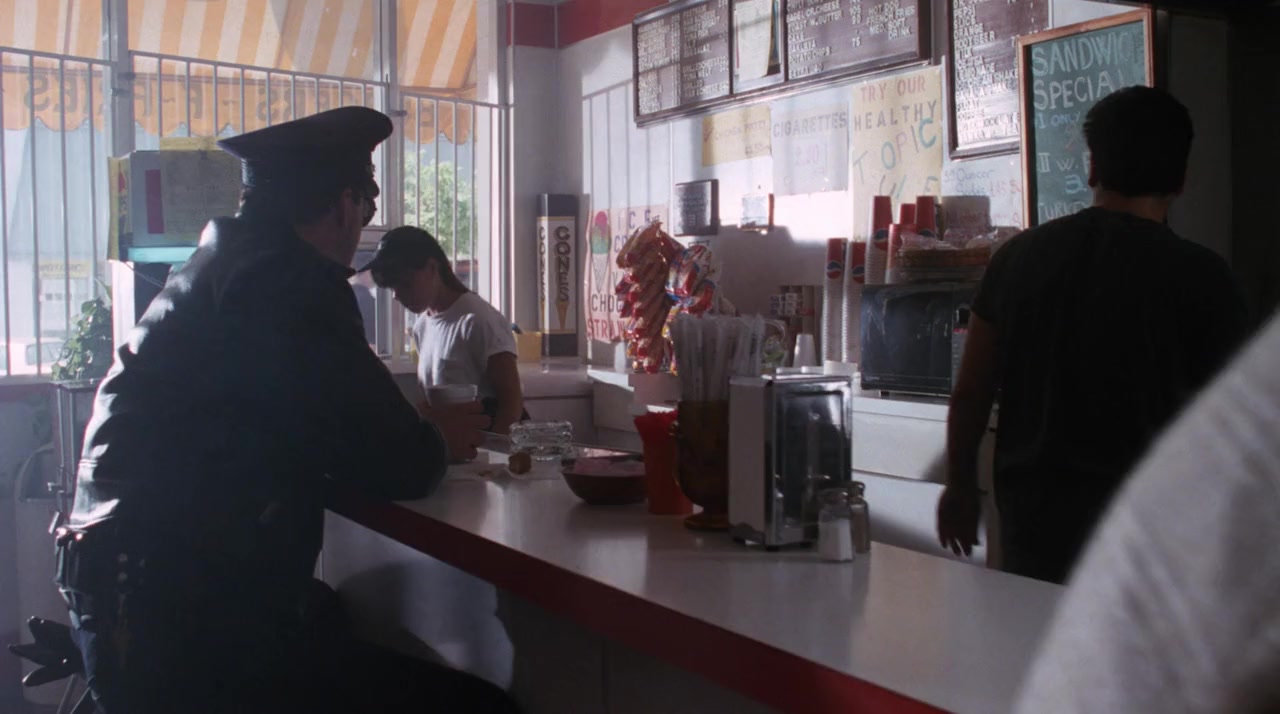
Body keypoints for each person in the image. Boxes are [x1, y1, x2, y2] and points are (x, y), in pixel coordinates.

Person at [54, 107, 517, 713]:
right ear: (346, 204)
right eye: (366, 212)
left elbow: (319, 420)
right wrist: (438, 438)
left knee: (330, 620)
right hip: (180, 621)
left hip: (133, 599)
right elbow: (394, 455)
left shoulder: (218, 265)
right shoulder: (289, 281)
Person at [936, 86, 1250, 584]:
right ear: (1181, 180)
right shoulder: (1206, 278)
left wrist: (958, 488)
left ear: (1093, 169)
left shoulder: (1018, 259)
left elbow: (972, 391)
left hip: (1035, 528)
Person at [1014, 310, 1280, 713]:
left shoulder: (1015, 269)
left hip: (1032, 498)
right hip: (1114, 490)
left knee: (1015, 630)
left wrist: (961, 483)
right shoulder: (1201, 281)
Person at [360, 226, 526, 434]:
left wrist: (494, 451)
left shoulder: (477, 321)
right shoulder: (421, 327)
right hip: (447, 448)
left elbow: (511, 404)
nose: (397, 295)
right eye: (393, 287)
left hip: (482, 448)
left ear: (432, 268)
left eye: (405, 284)